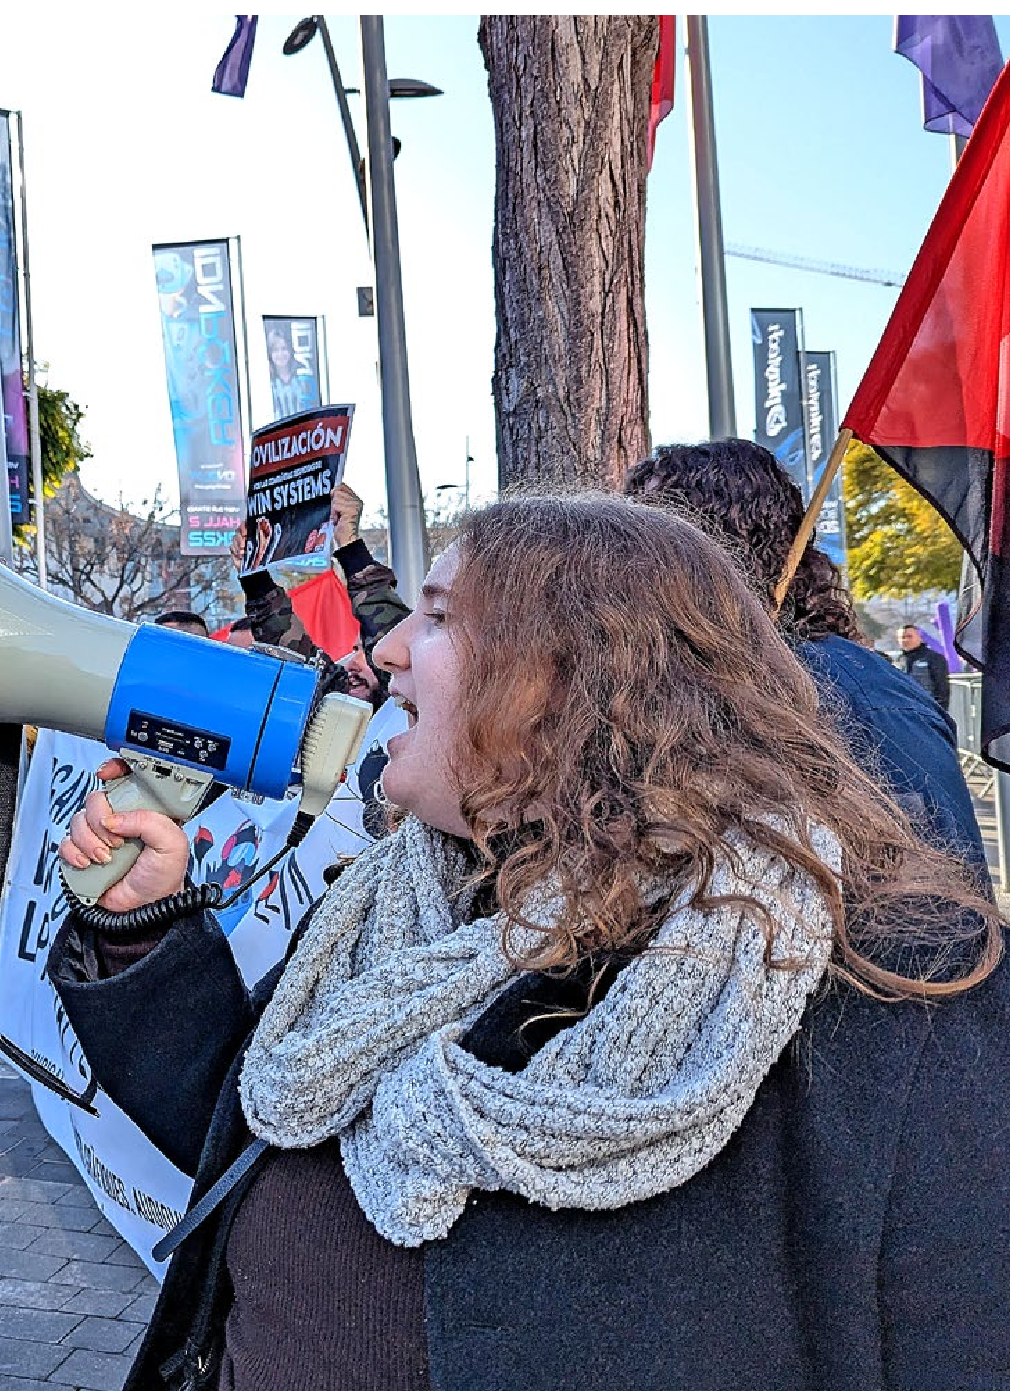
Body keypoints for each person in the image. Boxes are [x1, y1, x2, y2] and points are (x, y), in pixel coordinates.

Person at [52, 493, 1008, 1391]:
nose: (387, 648)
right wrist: (142, 927)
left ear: (574, 679)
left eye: (437, 617)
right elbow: (253, 1122)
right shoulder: (395, 903)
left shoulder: (890, 991)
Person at [624, 440, 984, 868]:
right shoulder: (665, 690)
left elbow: (939, 895)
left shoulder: (863, 701)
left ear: (716, 556)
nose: (627, 580)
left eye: (649, 552)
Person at [235, 482, 409, 707]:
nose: (352, 664)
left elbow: (393, 645)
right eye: (353, 650)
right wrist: (255, 578)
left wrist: (351, 548)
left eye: (365, 650)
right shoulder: (338, 704)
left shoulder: (407, 706)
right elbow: (298, 659)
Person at [898, 622, 952, 710]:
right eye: (902, 637)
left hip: (926, 709)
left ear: (919, 637)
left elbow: (942, 688)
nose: (906, 640)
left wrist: (940, 711)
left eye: (909, 636)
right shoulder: (898, 660)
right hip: (904, 710)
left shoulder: (934, 657)